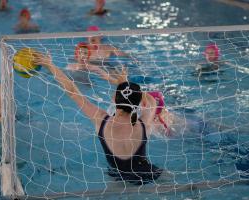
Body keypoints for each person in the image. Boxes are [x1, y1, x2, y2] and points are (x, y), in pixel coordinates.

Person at [33, 52, 175, 185]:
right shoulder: (144, 124)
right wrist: (123, 84)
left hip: (117, 178)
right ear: (138, 103)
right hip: (150, 175)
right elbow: (150, 100)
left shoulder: (101, 120)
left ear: (114, 98)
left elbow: (72, 91)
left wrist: (50, 65)